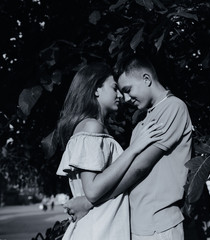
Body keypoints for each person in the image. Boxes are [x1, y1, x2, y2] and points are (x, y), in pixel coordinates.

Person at [64, 55, 193, 240]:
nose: (124, 98)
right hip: (137, 223)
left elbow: (140, 167)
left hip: (158, 223)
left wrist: (90, 201)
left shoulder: (173, 107)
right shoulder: (142, 120)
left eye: (127, 89)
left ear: (147, 79)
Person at [56, 62, 163, 240]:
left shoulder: (94, 128)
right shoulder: (91, 127)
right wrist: (135, 148)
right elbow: (92, 190)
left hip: (102, 227)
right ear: (96, 89)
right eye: (114, 88)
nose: (120, 95)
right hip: (98, 229)